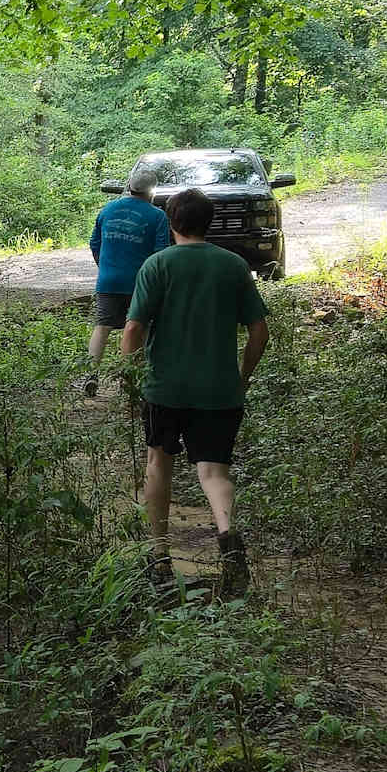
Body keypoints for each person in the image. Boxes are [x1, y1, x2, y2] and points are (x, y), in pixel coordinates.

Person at [123, 188, 271, 597]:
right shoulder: (233, 265)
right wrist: (242, 376)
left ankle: (159, 558)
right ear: (209, 221)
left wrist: (131, 376)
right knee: (214, 471)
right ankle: (227, 540)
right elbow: (259, 330)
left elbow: (133, 329)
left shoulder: (157, 265)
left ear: (170, 222)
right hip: (219, 390)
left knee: (158, 463)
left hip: (164, 387)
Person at [83, 168, 172, 398]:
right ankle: (129, 379)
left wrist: (105, 268)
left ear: (129, 185)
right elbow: (160, 253)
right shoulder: (157, 216)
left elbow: (95, 244)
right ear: (152, 190)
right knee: (138, 328)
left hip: (108, 280)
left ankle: (91, 375)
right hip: (140, 283)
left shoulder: (108, 209)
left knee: (102, 326)